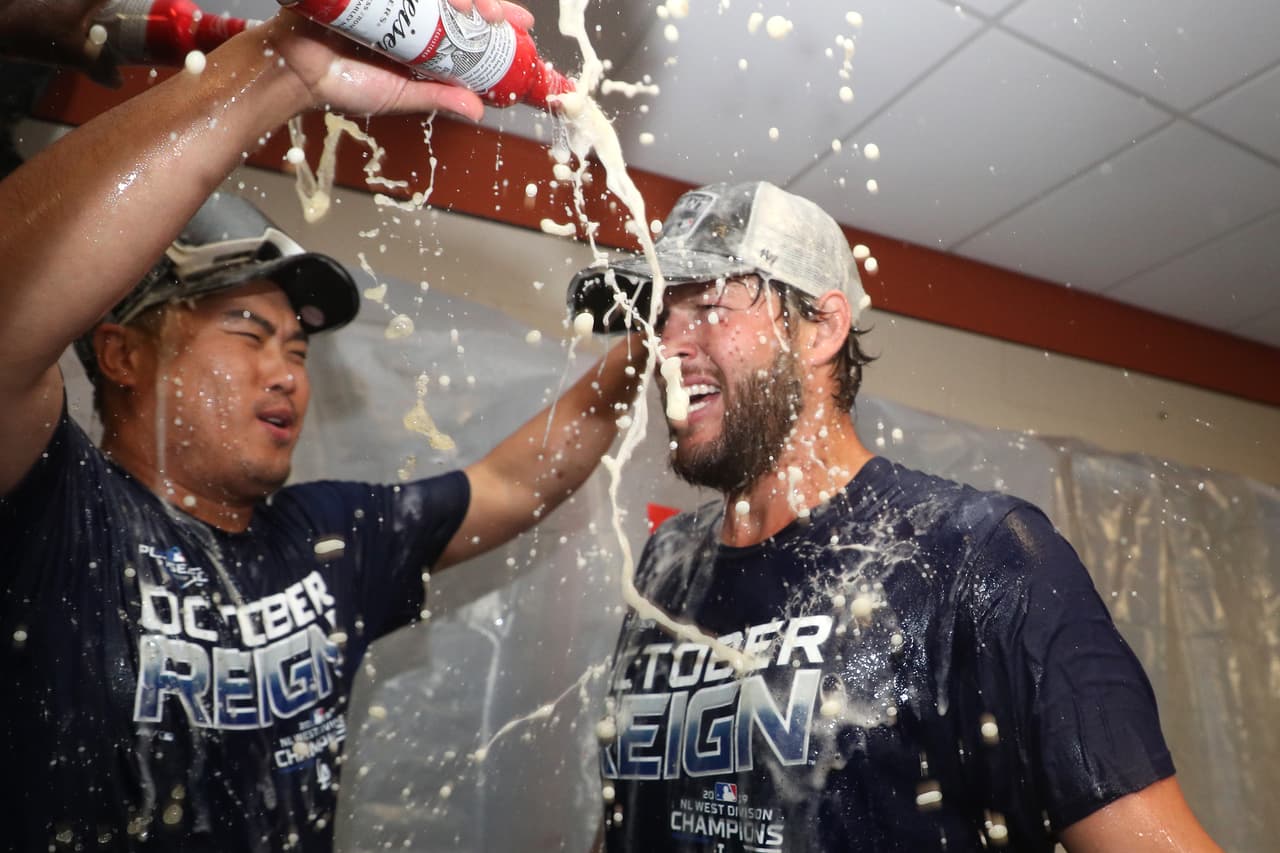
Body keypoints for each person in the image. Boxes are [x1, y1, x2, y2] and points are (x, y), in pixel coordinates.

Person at [0, 2, 642, 851]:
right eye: (247, 333)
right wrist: (282, 69)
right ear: (120, 355)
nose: (286, 373)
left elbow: (515, 481)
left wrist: (646, 349)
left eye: (298, 349)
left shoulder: (327, 543)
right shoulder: (50, 511)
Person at [567, 181, 1222, 852]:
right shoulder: (668, 561)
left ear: (821, 327)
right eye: (658, 316)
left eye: (707, 306)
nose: (664, 350)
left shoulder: (978, 556)